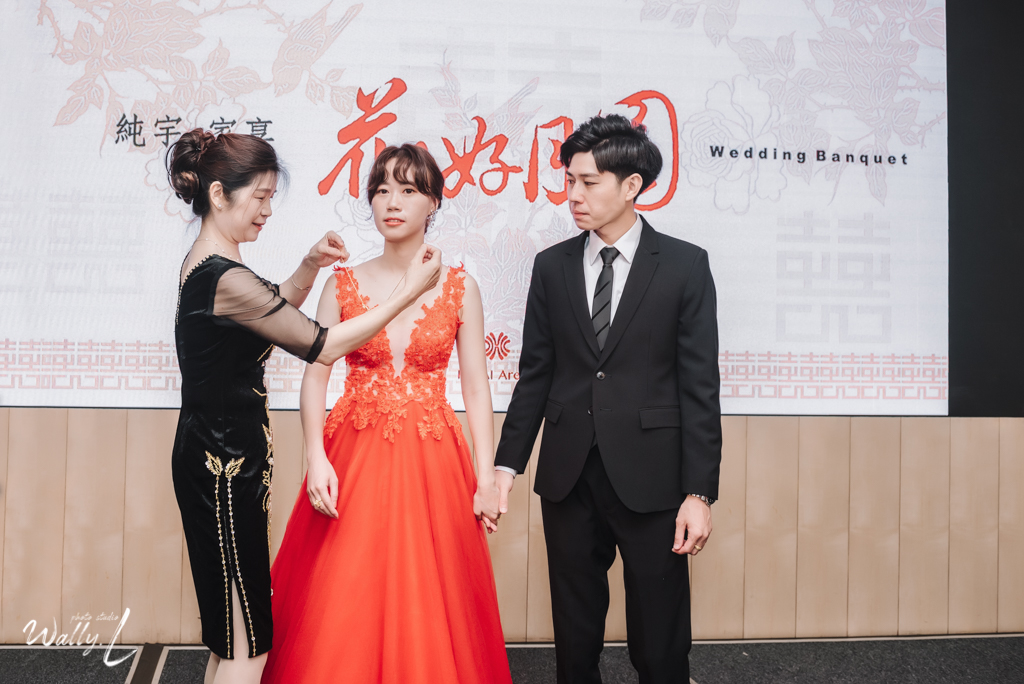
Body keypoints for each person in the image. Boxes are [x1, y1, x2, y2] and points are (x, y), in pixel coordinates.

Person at [169, 129, 442, 684]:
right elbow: (322, 344)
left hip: (219, 460)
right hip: (223, 466)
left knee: (231, 635)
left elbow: (267, 311)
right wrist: (409, 293)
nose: (267, 211)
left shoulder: (210, 265)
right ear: (219, 194)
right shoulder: (224, 276)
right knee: (247, 644)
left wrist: (309, 265)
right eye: (260, 197)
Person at [262, 144, 512, 684]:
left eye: (408, 190)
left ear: (434, 202)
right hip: (353, 454)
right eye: (380, 190)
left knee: (431, 591)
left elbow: (476, 386)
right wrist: (316, 457)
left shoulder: (461, 287)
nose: (391, 202)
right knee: (345, 589)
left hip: (434, 459)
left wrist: (487, 476)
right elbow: (315, 376)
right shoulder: (342, 283)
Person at [493, 114, 722, 684]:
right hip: (568, 477)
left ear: (631, 185)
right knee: (574, 641)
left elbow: (699, 387)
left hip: (654, 479)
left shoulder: (685, 265)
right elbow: (535, 375)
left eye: (588, 182)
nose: (573, 195)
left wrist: (699, 493)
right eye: (570, 180)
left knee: (660, 641)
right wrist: (505, 466)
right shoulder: (552, 267)